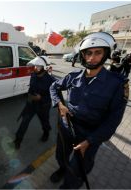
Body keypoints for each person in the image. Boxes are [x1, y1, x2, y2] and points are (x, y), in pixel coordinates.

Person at [49, 32, 128, 189]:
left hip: (90, 135)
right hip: (67, 126)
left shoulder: (117, 84)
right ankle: (62, 168)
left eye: (98, 52)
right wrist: (60, 104)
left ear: (106, 54)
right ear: (83, 55)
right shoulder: (73, 76)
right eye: (88, 53)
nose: (92, 58)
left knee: (78, 170)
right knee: (61, 155)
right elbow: (54, 87)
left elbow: (113, 120)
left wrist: (90, 141)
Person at [14, 56, 56, 149]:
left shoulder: (51, 80)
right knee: (24, 121)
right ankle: (18, 140)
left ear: (44, 67)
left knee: (44, 121)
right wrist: (29, 97)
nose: (35, 68)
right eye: (35, 66)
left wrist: (41, 98)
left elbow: (54, 95)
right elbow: (31, 88)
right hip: (32, 104)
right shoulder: (33, 75)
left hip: (44, 106)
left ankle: (46, 133)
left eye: (38, 66)